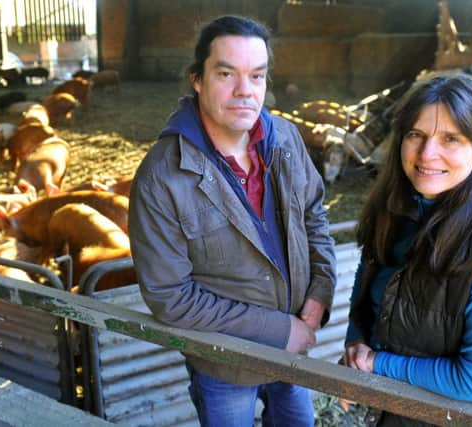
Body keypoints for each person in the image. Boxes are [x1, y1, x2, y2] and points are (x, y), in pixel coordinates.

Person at [128, 15, 336, 427]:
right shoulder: (162, 176)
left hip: (294, 352)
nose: (245, 91)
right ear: (197, 80)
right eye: (227, 73)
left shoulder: (287, 139)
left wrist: (322, 288)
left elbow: (314, 214)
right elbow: (170, 297)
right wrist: (280, 331)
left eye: (256, 76)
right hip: (225, 365)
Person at [341, 74, 472, 425]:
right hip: (403, 413)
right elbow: (367, 290)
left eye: (450, 139)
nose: (427, 154)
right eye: (415, 135)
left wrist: (376, 364)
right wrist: (356, 348)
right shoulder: (396, 209)